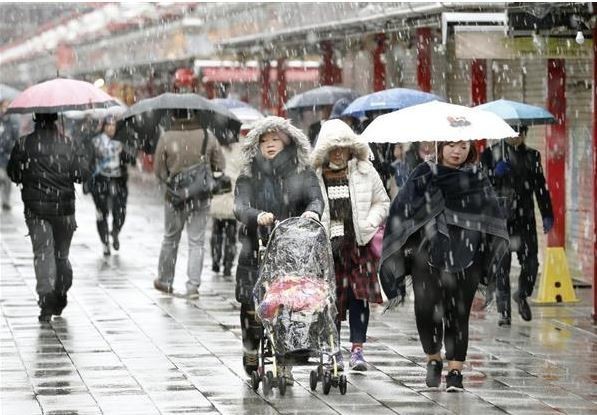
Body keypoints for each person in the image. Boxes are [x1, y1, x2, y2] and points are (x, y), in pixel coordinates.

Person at [380, 140, 509, 392]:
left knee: (458, 313)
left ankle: (455, 371)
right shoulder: (423, 175)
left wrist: (488, 248)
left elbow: (491, 218)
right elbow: (401, 210)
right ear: (440, 147)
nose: (457, 151)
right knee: (425, 309)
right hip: (426, 255)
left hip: (468, 255)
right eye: (451, 145)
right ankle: (433, 358)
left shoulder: (476, 179)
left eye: (463, 146)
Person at [234, 116, 324, 382]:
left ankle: (286, 357)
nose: (270, 144)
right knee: (251, 304)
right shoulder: (249, 173)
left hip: (291, 247)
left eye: (275, 139)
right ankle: (251, 347)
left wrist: (312, 213)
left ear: (287, 141)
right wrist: (257, 215)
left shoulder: (302, 171)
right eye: (264, 140)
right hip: (256, 245)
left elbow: (315, 197)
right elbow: (240, 205)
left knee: (288, 302)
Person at [311, 119, 390, 371]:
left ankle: (357, 350)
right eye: (333, 148)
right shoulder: (314, 176)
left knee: (359, 298)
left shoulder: (365, 171)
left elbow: (383, 201)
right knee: (330, 300)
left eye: (343, 147)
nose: (338, 152)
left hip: (359, 245)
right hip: (328, 249)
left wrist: (369, 221)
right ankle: (332, 349)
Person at [7, 112, 91, 322]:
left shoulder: (24, 143)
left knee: (43, 253)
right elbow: (81, 175)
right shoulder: (68, 143)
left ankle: (46, 300)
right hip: (64, 211)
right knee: (61, 256)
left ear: (36, 119)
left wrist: (24, 169)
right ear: (55, 120)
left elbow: (14, 174)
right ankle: (60, 292)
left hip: (36, 211)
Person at [481, 126, 554, 325]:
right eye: (512, 134)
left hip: (525, 220)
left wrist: (547, 214)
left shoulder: (532, 156)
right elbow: (480, 185)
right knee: (501, 267)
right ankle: (504, 312)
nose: (516, 138)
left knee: (531, 264)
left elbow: (541, 187)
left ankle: (521, 295)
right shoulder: (489, 155)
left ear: (524, 135)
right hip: (500, 219)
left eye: (520, 134)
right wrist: (493, 174)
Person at [153, 111, 225, 299]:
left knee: (170, 239)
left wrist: (174, 175)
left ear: (174, 116)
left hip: (175, 198)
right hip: (200, 196)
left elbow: (158, 171)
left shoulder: (166, 137)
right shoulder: (207, 136)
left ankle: (165, 280)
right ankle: (193, 285)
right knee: (196, 242)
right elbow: (220, 165)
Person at [88, 115, 135, 256]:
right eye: (108, 125)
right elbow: (88, 162)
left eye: (113, 125)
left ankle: (115, 232)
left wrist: (127, 151)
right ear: (103, 126)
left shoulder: (120, 142)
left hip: (118, 181)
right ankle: (105, 242)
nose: (111, 128)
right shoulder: (95, 142)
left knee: (120, 211)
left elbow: (130, 159)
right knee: (102, 214)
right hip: (100, 182)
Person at [209, 136, 242, 277]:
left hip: (219, 194)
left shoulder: (216, 148)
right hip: (233, 197)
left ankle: (216, 261)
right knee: (231, 234)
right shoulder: (240, 149)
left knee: (217, 231)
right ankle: (228, 265)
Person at [0, 100, 20, 210]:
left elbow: (16, 138)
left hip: (8, 156)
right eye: (4, 106)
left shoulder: (12, 122)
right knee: (1, 177)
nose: (6, 108)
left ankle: (5, 201)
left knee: (7, 180)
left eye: (8, 106)